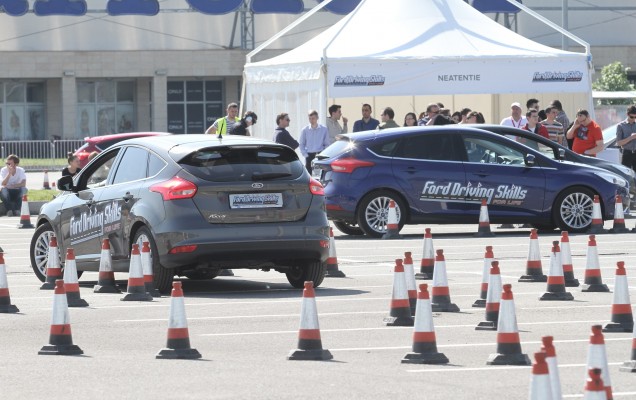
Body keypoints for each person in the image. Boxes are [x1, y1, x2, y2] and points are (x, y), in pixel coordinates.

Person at [616, 105, 636, 172]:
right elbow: (619, 143)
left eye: (635, 117)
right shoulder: (620, 126)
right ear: (627, 114)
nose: (634, 119)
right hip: (626, 153)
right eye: (632, 117)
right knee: (626, 175)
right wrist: (631, 138)